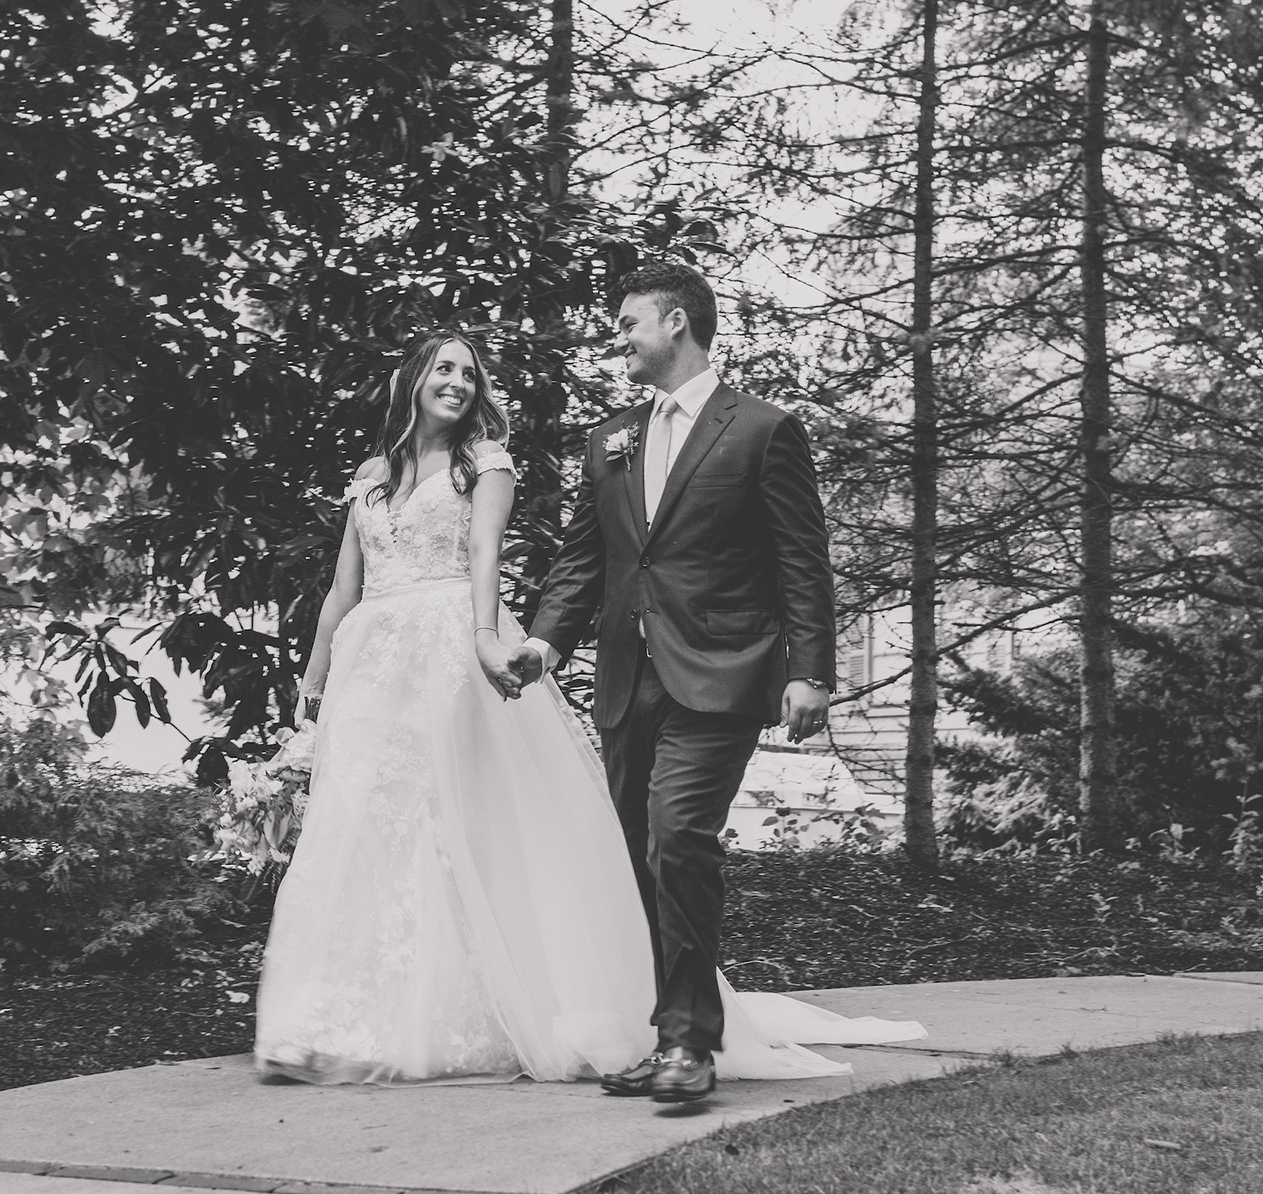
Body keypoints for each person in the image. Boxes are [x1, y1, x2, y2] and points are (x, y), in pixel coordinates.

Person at [255, 323, 922, 1091]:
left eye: (468, 372)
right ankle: (335, 1017)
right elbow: (361, 584)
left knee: (511, 829)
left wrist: (485, 637)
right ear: (412, 378)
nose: (459, 382)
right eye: (443, 368)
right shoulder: (398, 473)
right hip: (396, 664)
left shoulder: (494, 462)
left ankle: (647, 1035)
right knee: (373, 827)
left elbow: (486, 553)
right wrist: (320, 674)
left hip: (495, 652)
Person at [508, 260, 844, 1102]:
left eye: (629, 322)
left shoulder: (762, 429)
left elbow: (802, 560)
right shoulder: (609, 438)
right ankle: (664, 1034)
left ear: (677, 323)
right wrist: (544, 645)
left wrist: (811, 671)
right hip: (628, 678)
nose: (618, 337)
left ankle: (691, 1045)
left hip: (721, 670)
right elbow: (585, 559)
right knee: (636, 855)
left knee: (677, 833)